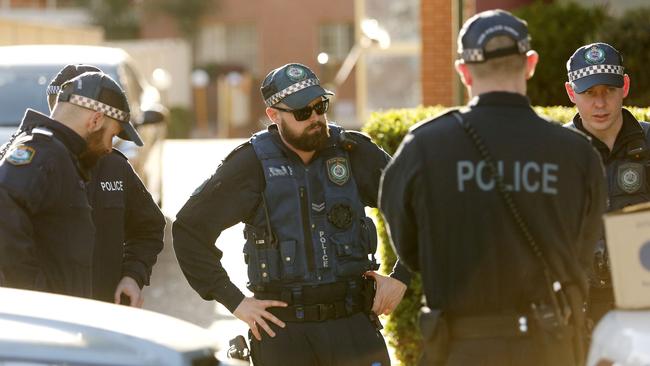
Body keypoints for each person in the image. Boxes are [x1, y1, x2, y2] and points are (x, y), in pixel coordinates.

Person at [380, 9, 607, 366]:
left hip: (460, 351)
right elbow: (583, 247)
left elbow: (410, 252)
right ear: (530, 64)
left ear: (464, 72)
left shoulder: (423, 148)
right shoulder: (577, 153)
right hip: (549, 349)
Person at [173, 63, 410, 365]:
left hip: (352, 324)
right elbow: (189, 229)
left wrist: (401, 277)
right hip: (284, 333)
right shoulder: (251, 164)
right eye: (302, 112)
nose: (315, 118)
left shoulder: (352, 152)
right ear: (274, 115)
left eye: (320, 106)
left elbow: (418, 206)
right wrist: (234, 301)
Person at [0, 71, 143, 298]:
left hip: (65, 320)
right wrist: (34, 295)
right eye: (112, 135)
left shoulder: (62, 156)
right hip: (46, 325)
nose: (109, 147)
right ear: (95, 120)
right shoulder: (41, 153)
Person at [45, 65, 165, 307]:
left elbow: (149, 227)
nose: (110, 144)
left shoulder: (114, 166)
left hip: (106, 315)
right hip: (48, 322)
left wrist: (132, 276)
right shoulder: (31, 166)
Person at [564, 43, 650, 324]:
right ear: (570, 93)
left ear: (624, 86)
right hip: (581, 311)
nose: (600, 104)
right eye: (589, 93)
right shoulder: (556, 153)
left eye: (608, 91)